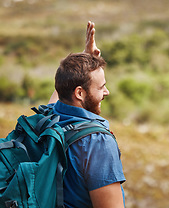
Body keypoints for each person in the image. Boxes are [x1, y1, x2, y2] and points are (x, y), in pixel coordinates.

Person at [48, 21, 126, 208]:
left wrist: (85, 58)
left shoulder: (47, 119)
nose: (106, 92)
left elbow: (60, 92)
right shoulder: (97, 142)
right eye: (101, 87)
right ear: (80, 93)